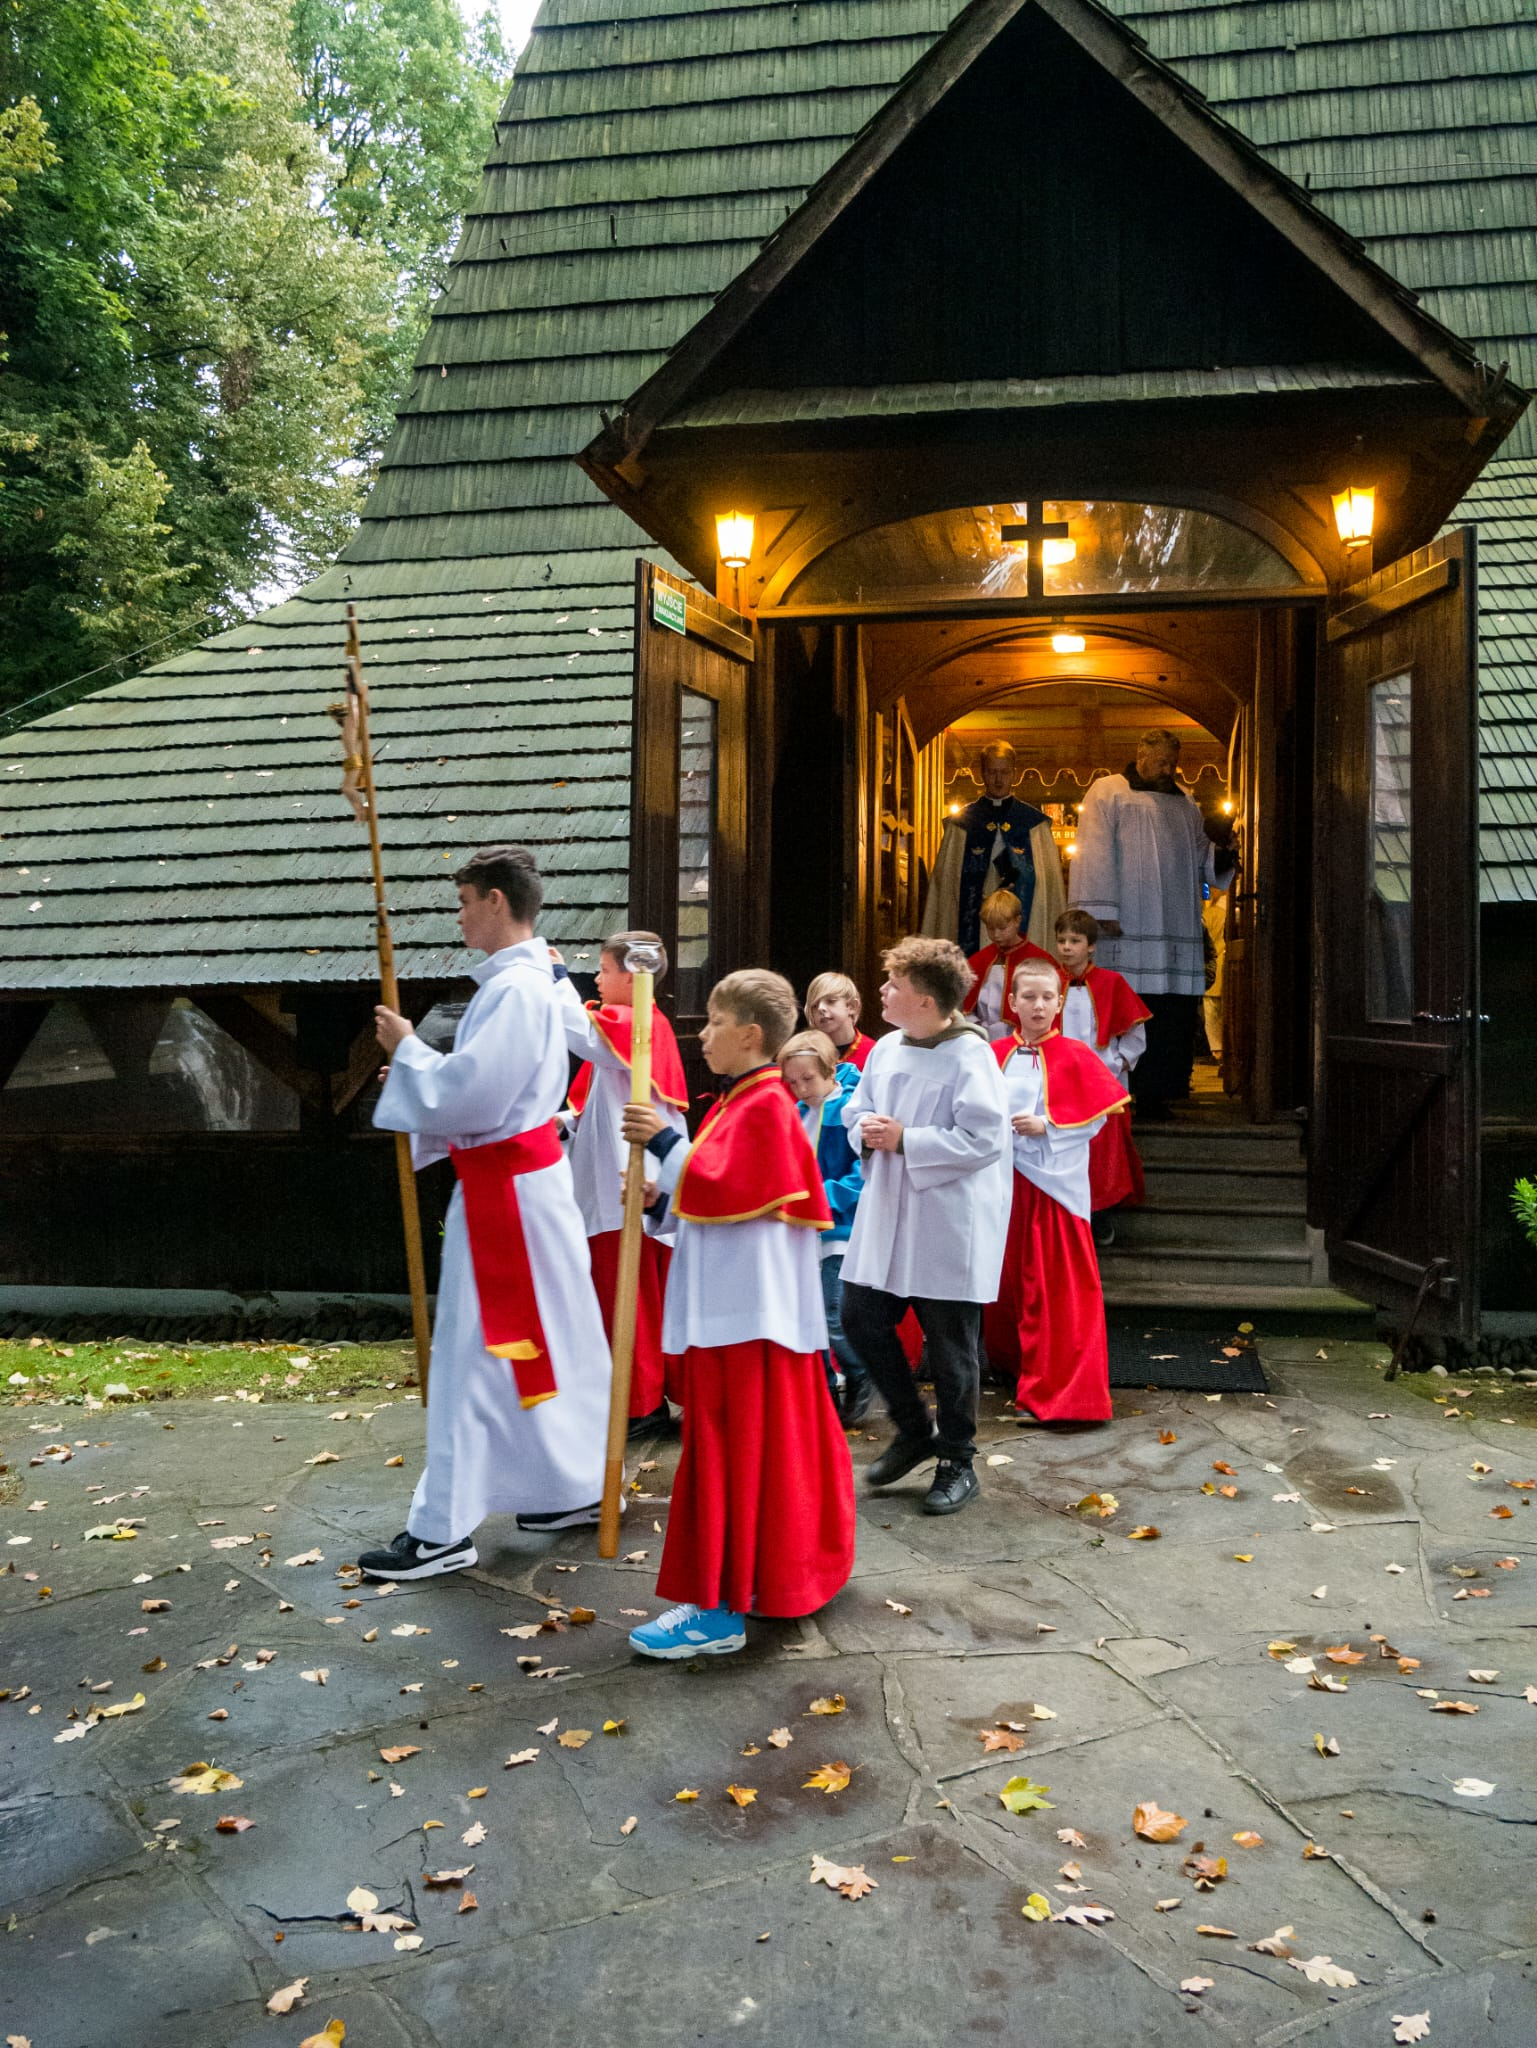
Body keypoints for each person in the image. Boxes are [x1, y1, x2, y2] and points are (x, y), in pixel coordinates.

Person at [361, 845, 612, 1580]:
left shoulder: (515, 991)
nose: (461, 914)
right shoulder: (537, 980)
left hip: (508, 1196)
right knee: (544, 1345)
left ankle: (441, 1530)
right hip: (527, 1189)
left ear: (497, 901)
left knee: (473, 1357)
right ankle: (566, 1486)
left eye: (466, 900)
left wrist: (411, 1053)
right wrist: (422, 1070)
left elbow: (472, 1095)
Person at [620, 970, 855, 1659]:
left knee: (726, 1460)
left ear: (749, 1035)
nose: (702, 1033)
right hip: (743, 1313)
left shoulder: (763, 1108)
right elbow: (714, 1194)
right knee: (755, 1459)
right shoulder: (744, 1103)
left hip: (745, 1320)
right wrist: (661, 1196)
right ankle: (769, 1581)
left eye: (715, 1021)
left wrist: (663, 1144)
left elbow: (725, 1186)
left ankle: (717, 1610)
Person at [838, 936, 1012, 1516]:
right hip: (889, 1208)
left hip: (946, 1219)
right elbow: (855, 1104)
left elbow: (985, 1138)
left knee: (951, 1346)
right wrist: (862, 1126)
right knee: (861, 1316)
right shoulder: (888, 1046)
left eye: (894, 984)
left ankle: (958, 1460)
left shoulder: (970, 1057)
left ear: (926, 1000)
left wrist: (908, 1139)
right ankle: (914, 1429)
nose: (883, 991)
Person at [555, 930, 689, 1438]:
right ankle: (642, 1396)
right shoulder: (631, 1027)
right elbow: (597, 1103)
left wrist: (554, 979)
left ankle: (640, 1404)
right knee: (633, 1298)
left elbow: (582, 1034)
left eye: (605, 970)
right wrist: (565, 1123)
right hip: (621, 1184)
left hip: (631, 1187)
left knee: (630, 1299)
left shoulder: (636, 1024)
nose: (595, 977)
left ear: (632, 976)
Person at [983, 958, 1128, 1426]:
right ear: (1012, 1003)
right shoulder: (994, 1052)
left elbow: (1097, 1117)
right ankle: (1017, 1368)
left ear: (1060, 1002)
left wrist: (1046, 1126)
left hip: (1054, 1189)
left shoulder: (1078, 1054)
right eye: (1029, 996)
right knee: (1006, 1285)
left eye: (1047, 997)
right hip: (1004, 1185)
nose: (1039, 1005)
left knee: (1054, 1290)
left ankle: (1065, 1393)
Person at [1070, 728, 1230, 1116]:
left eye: (1173, 763)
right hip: (1126, 926)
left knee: (1170, 1011)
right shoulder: (1108, 791)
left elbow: (1201, 856)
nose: (1167, 769)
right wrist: (1102, 912)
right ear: (1140, 754)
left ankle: (1163, 1091)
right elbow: (1093, 852)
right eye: (1161, 761)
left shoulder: (1185, 802)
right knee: (1130, 1008)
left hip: (1175, 925)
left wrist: (1224, 853)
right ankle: (1118, 1090)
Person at [780, 1028, 872, 1425]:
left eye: (808, 1079)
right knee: (808, 1315)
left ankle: (859, 1372)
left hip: (839, 1231)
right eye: (793, 1081)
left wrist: (824, 1196)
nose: (800, 1088)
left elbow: (863, 1171)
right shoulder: (797, 1114)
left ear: (830, 1072)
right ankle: (824, 1389)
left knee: (833, 1315)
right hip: (805, 1230)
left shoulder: (848, 1109)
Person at [1053, 907, 1151, 1246]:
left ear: (1091, 946)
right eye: (1062, 940)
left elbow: (1135, 1037)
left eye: (1075, 941)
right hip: (1058, 1082)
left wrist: (1115, 1063)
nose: (1066, 947)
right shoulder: (1049, 984)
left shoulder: (1113, 983)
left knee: (1101, 1151)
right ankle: (1066, 1218)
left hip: (1101, 1083)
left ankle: (1099, 1214)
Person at [921, 741, 1065, 954]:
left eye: (1004, 772)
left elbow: (1049, 887)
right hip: (972, 928)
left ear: (1014, 773)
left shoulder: (1034, 825)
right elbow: (946, 888)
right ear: (981, 773)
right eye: (992, 772)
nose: (998, 780)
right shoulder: (960, 826)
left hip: (1020, 922)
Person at [962, 887, 1058, 1041]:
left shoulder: (1039, 960)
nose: (996, 935)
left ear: (1017, 921)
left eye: (1002, 928)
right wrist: (976, 1029)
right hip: (983, 1038)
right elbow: (967, 1007)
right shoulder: (979, 960)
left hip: (1026, 1038)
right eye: (990, 928)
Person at [804, 971, 875, 1070]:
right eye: (814, 1006)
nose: (820, 1008)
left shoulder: (874, 1052)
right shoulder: (803, 1054)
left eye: (830, 1001)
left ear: (852, 1006)